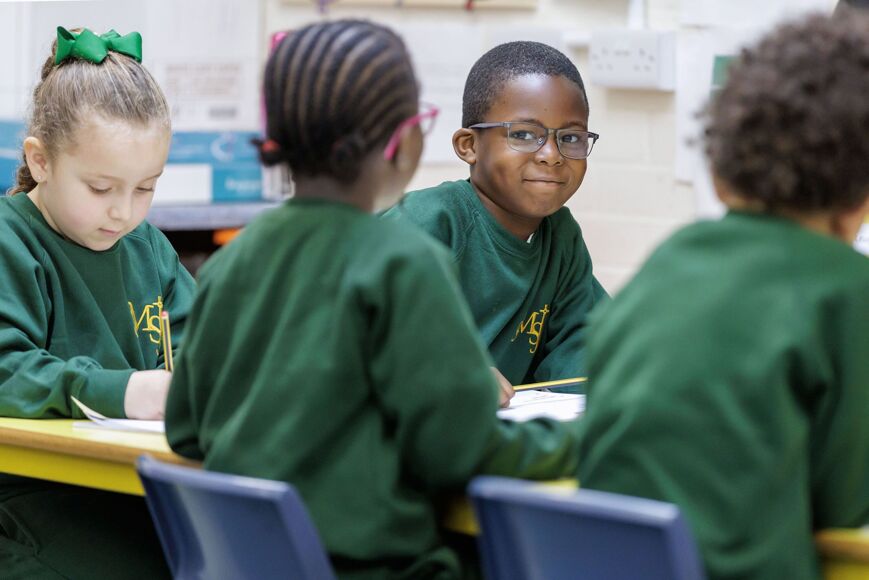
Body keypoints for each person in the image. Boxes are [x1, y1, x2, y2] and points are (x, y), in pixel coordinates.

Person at [166, 20, 579, 580]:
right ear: (405, 141)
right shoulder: (403, 260)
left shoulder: (232, 260)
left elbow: (186, 428)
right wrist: (582, 441)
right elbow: (460, 449)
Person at [576, 13, 869, 580]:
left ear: (719, 172)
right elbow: (843, 506)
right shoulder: (848, 288)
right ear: (860, 196)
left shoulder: (669, 260)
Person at [0, 26, 195, 578]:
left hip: (144, 493)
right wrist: (123, 391)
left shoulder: (148, 248)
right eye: (101, 188)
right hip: (33, 503)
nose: (124, 213)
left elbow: (203, 346)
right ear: (40, 161)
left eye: (146, 188)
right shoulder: (10, 241)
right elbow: (4, 369)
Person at [384, 41, 607, 398]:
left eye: (571, 137)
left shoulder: (561, 239)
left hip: (500, 439)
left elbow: (586, 352)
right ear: (468, 146)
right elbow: (345, 332)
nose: (551, 155)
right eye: (523, 134)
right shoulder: (426, 224)